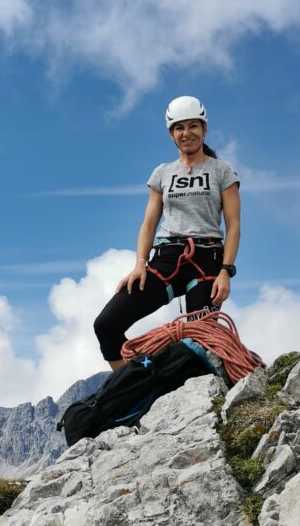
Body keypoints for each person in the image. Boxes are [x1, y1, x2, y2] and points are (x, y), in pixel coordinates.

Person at [93, 96, 241, 370]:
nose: (187, 133)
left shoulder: (222, 171)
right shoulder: (162, 173)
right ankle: (130, 389)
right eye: (179, 127)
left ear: (204, 129)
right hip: (166, 259)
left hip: (207, 261)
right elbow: (148, 224)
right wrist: (140, 264)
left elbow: (233, 225)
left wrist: (226, 271)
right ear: (171, 134)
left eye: (193, 126)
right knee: (106, 325)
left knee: (199, 345)